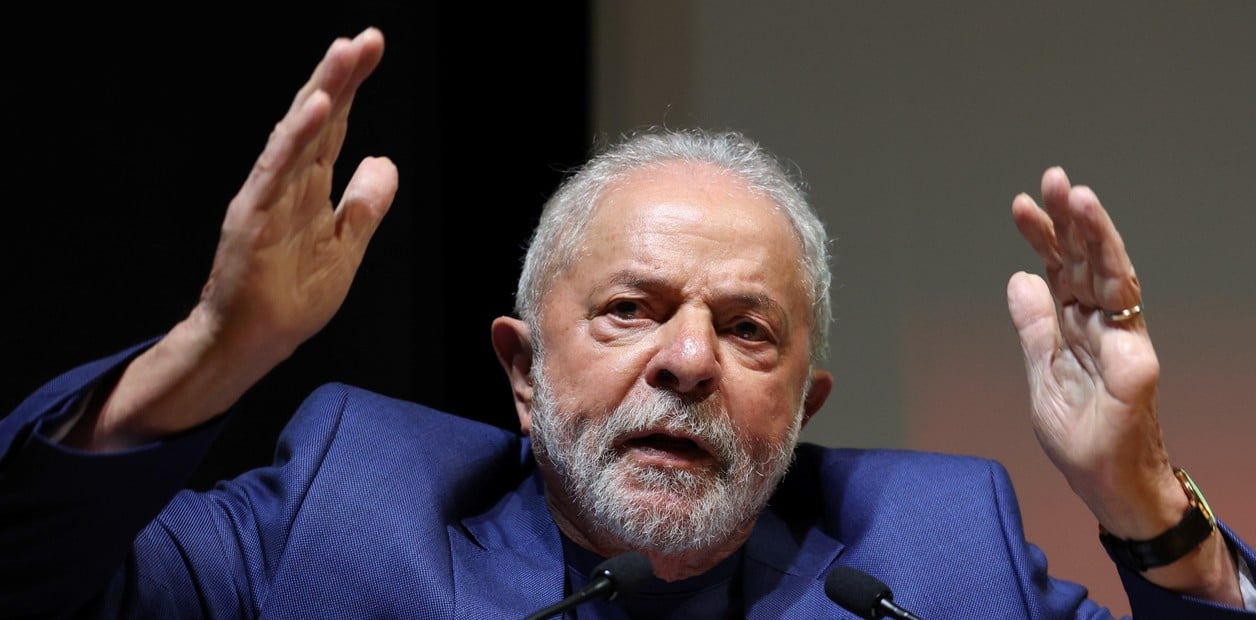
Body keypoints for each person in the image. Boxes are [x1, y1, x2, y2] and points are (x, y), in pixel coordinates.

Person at [0, 26, 1252, 619]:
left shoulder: (934, 556)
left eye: (748, 329)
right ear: (521, 370)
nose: (688, 359)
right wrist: (208, 356)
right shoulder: (345, 509)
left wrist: (1143, 498)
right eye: (629, 310)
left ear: (803, 404)